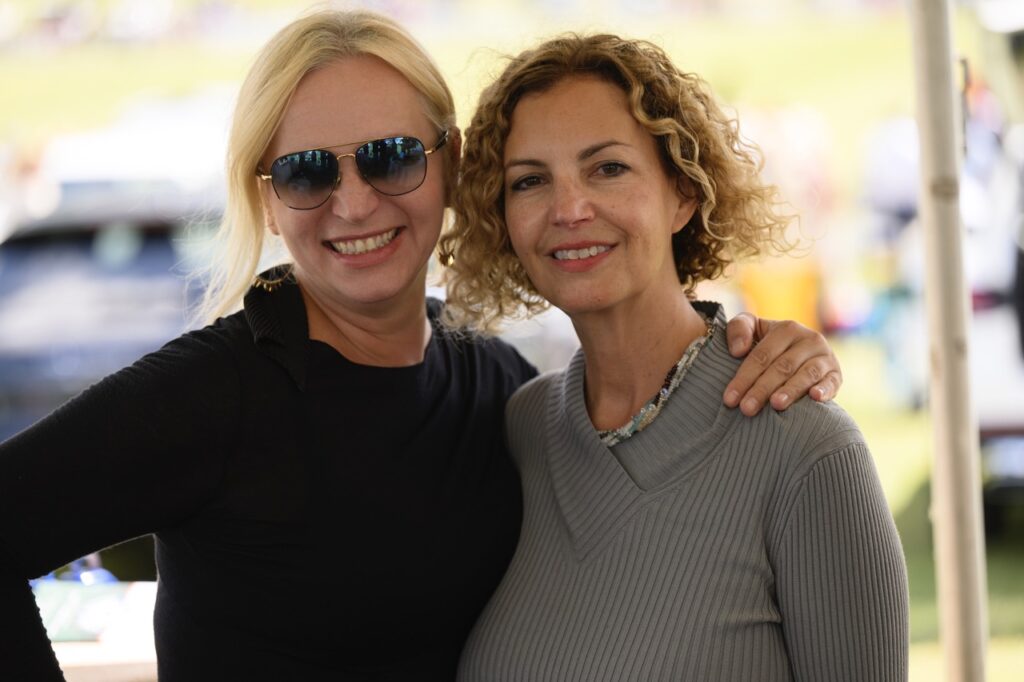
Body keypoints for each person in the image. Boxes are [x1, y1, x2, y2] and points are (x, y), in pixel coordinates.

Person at [0, 10, 844, 682]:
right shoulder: (213, 395)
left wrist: (757, 345)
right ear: (267, 198)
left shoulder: (500, 389)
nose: (355, 203)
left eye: (392, 158)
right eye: (306, 172)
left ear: (453, 168)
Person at [441, 33, 908, 681]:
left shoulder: (808, 453)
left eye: (608, 168)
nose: (569, 208)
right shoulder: (523, 428)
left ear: (683, 193)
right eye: (530, 181)